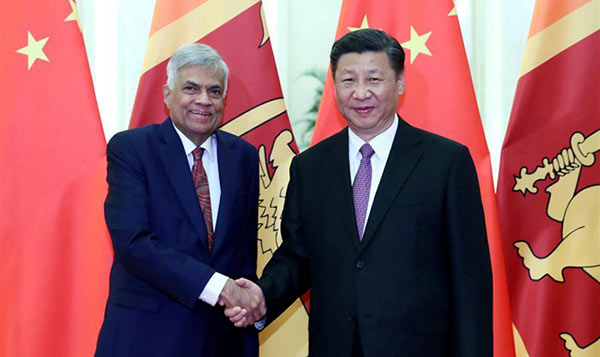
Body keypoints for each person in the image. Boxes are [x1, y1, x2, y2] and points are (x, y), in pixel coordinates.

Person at [227, 29, 493, 356]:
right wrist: (262, 296)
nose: (361, 92)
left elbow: (470, 279)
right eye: (348, 80)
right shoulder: (310, 167)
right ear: (334, 86)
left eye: (374, 79)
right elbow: (298, 256)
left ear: (400, 83)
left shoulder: (446, 162)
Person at [95, 43, 262, 357]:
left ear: (225, 99)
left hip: (223, 342)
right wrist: (219, 287)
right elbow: (133, 243)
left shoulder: (243, 157)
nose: (203, 100)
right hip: (147, 338)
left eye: (215, 91)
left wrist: (247, 309)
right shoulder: (132, 149)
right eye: (191, 88)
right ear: (167, 94)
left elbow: (242, 253)